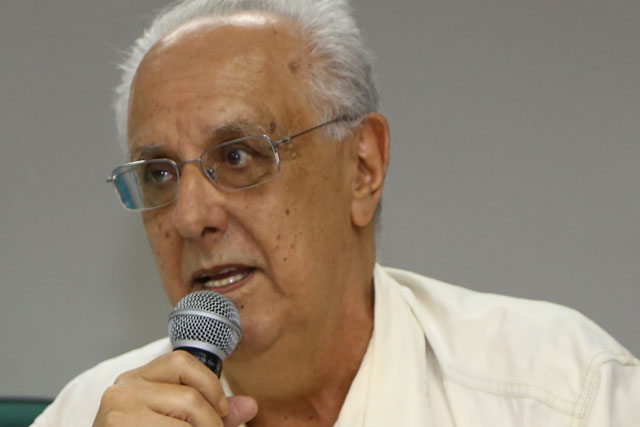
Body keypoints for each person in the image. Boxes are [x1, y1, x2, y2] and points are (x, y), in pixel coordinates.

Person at [33, 0, 639, 426]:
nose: (190, 217)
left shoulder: (564, 396)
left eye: (238, 156)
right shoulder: (86, 417)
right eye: (160, 174)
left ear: (362, 167)